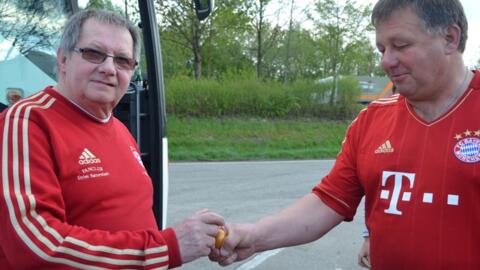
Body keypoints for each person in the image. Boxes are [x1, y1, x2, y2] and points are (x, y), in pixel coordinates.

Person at [210, 0, 480, 269]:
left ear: (450, 38)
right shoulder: (371, 121)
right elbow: (327, 203)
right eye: (382, 49)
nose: (386, 61)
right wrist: (254, 237)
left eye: (401, 46)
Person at [0, 10, 224, 269]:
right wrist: (167, 248)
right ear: (63, 59)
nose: (108, 68)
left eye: (122, 60)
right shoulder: (27, 122)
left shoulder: (120, 129)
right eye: (94, 54)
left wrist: (197, 239)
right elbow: (37, 248)